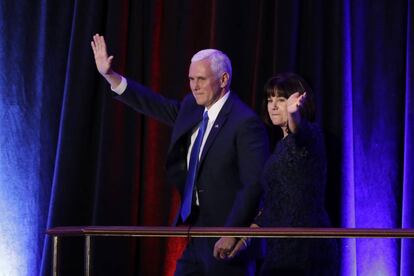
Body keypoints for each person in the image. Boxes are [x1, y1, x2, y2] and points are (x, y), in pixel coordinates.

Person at [91, 34, 269, 275]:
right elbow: (153, 104)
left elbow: (253, 185)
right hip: (196, 234)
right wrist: (110, 75)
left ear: (224, 79)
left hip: (227, 239)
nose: (194, 86)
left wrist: (232, 232)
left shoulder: (245, 123)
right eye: (191, 79)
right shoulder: (192, 107)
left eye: (201, 79)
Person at [225, 73, 338, 275]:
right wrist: (242, 240)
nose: (273, 106)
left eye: (281, 100)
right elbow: (272, 205)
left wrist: (294, 114)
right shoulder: (280, 147)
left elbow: (299, 132)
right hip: (280, 248)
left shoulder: (311, 136)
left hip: (307, 249)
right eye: (270, 100)